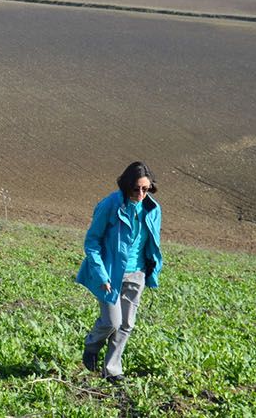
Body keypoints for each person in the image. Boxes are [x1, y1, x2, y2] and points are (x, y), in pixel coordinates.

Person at [76, 161, 164, 383]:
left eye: (146, 189)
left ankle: (112, 370)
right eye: (136, 189)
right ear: (126, 185)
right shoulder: (110, 205)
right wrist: (100, 274)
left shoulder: (153, 209)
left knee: (126, 325)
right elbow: (92, 242)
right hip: (110, 273)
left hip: (137, 273)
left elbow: (153, 243)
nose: (141, 194)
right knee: (111, 322)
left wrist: (152, 269)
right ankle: (91, 345)